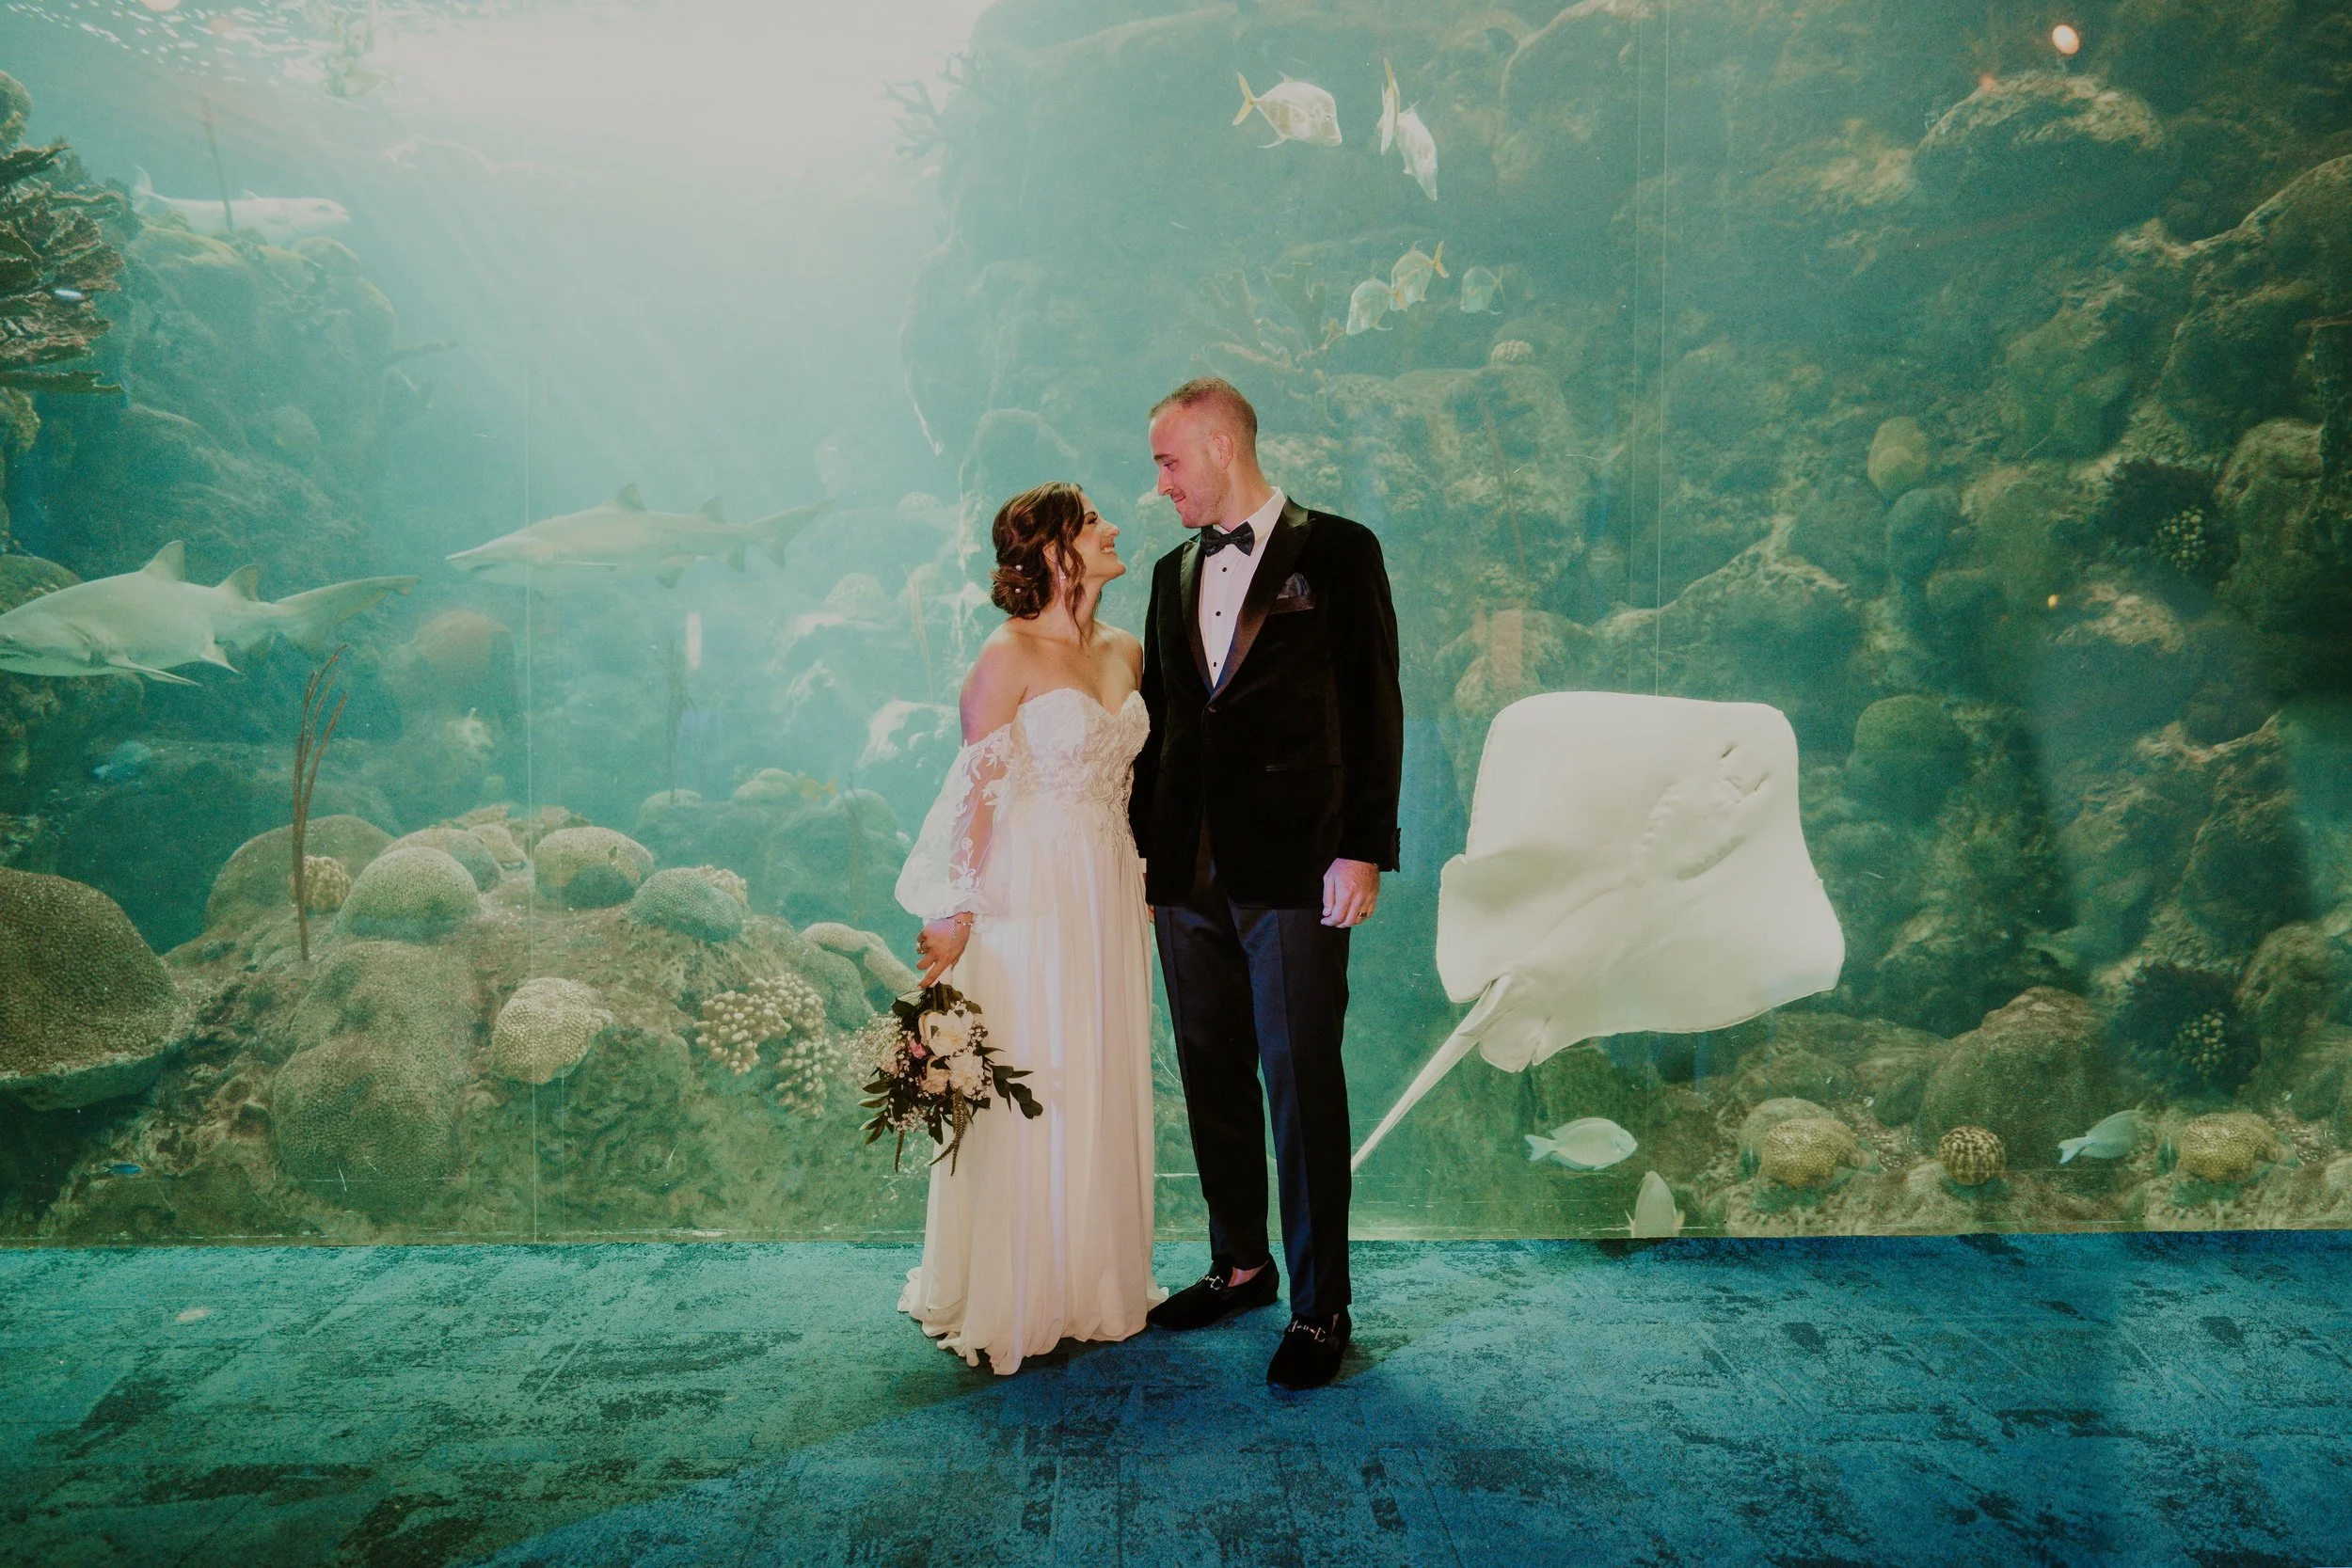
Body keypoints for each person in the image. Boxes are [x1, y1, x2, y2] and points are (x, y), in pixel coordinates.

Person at [1131, 377, 1404, 1392]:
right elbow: (1161, 726)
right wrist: (1143, 861)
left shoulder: (1338, 550)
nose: (1159, 484)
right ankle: (1240, 1262)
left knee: (1300, 1080)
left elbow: (1375, 705)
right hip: (1185, 872)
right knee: (1209, 1072)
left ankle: (1320, 1303)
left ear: (1216, 442)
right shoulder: (1166, 573)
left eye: (1166, 461)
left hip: (1298, 865)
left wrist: (1362, 846)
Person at [892, 481, 1165, 1374]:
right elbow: (973, 793)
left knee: (1099, 1064)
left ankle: (1094, 1275)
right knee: (1042, 1066)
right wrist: (956, 910)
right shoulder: (1004, 655)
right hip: (1031, 894)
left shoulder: (1126, 646)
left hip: (1110, 886)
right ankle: (1022, 1287)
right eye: (1093, 522)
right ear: (1055, 550)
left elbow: (1136, 783)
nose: (1114, 526)